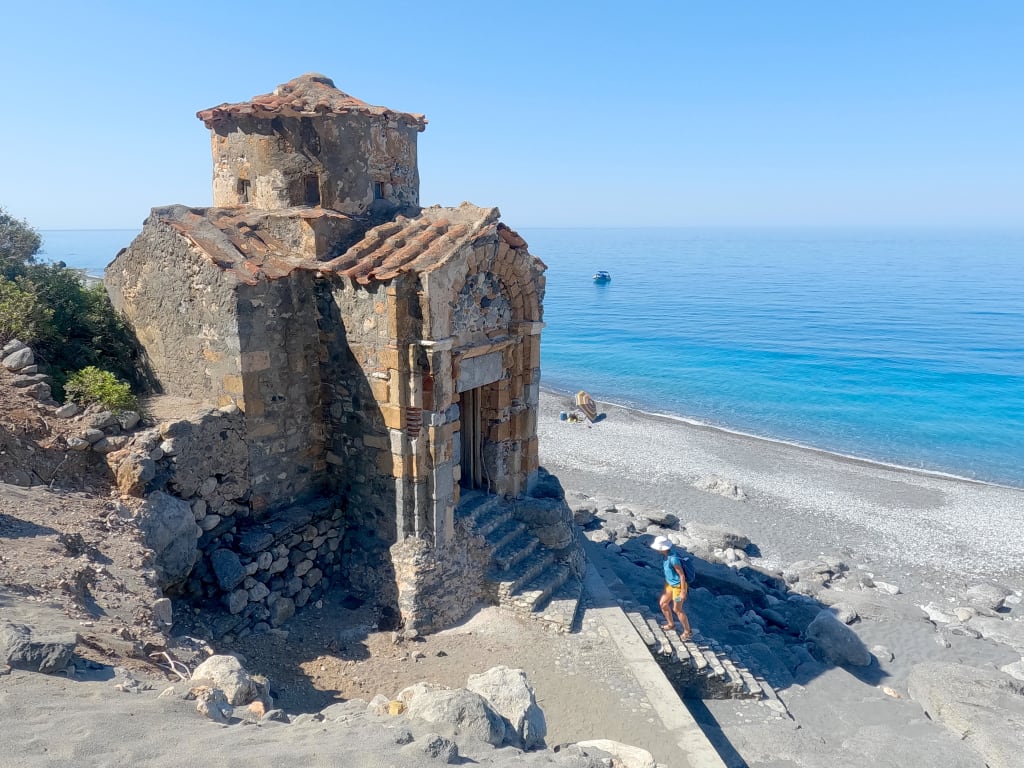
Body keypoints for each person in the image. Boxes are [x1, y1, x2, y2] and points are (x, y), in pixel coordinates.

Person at [651, 535, 693, 639]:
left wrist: (683, 592)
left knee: (677, 609)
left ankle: (688, 631)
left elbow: (682, 575)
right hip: (670, 585)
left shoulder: (673, 559)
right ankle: (671, 624)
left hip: (678, 588)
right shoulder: (666, 555)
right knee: (663, 603)